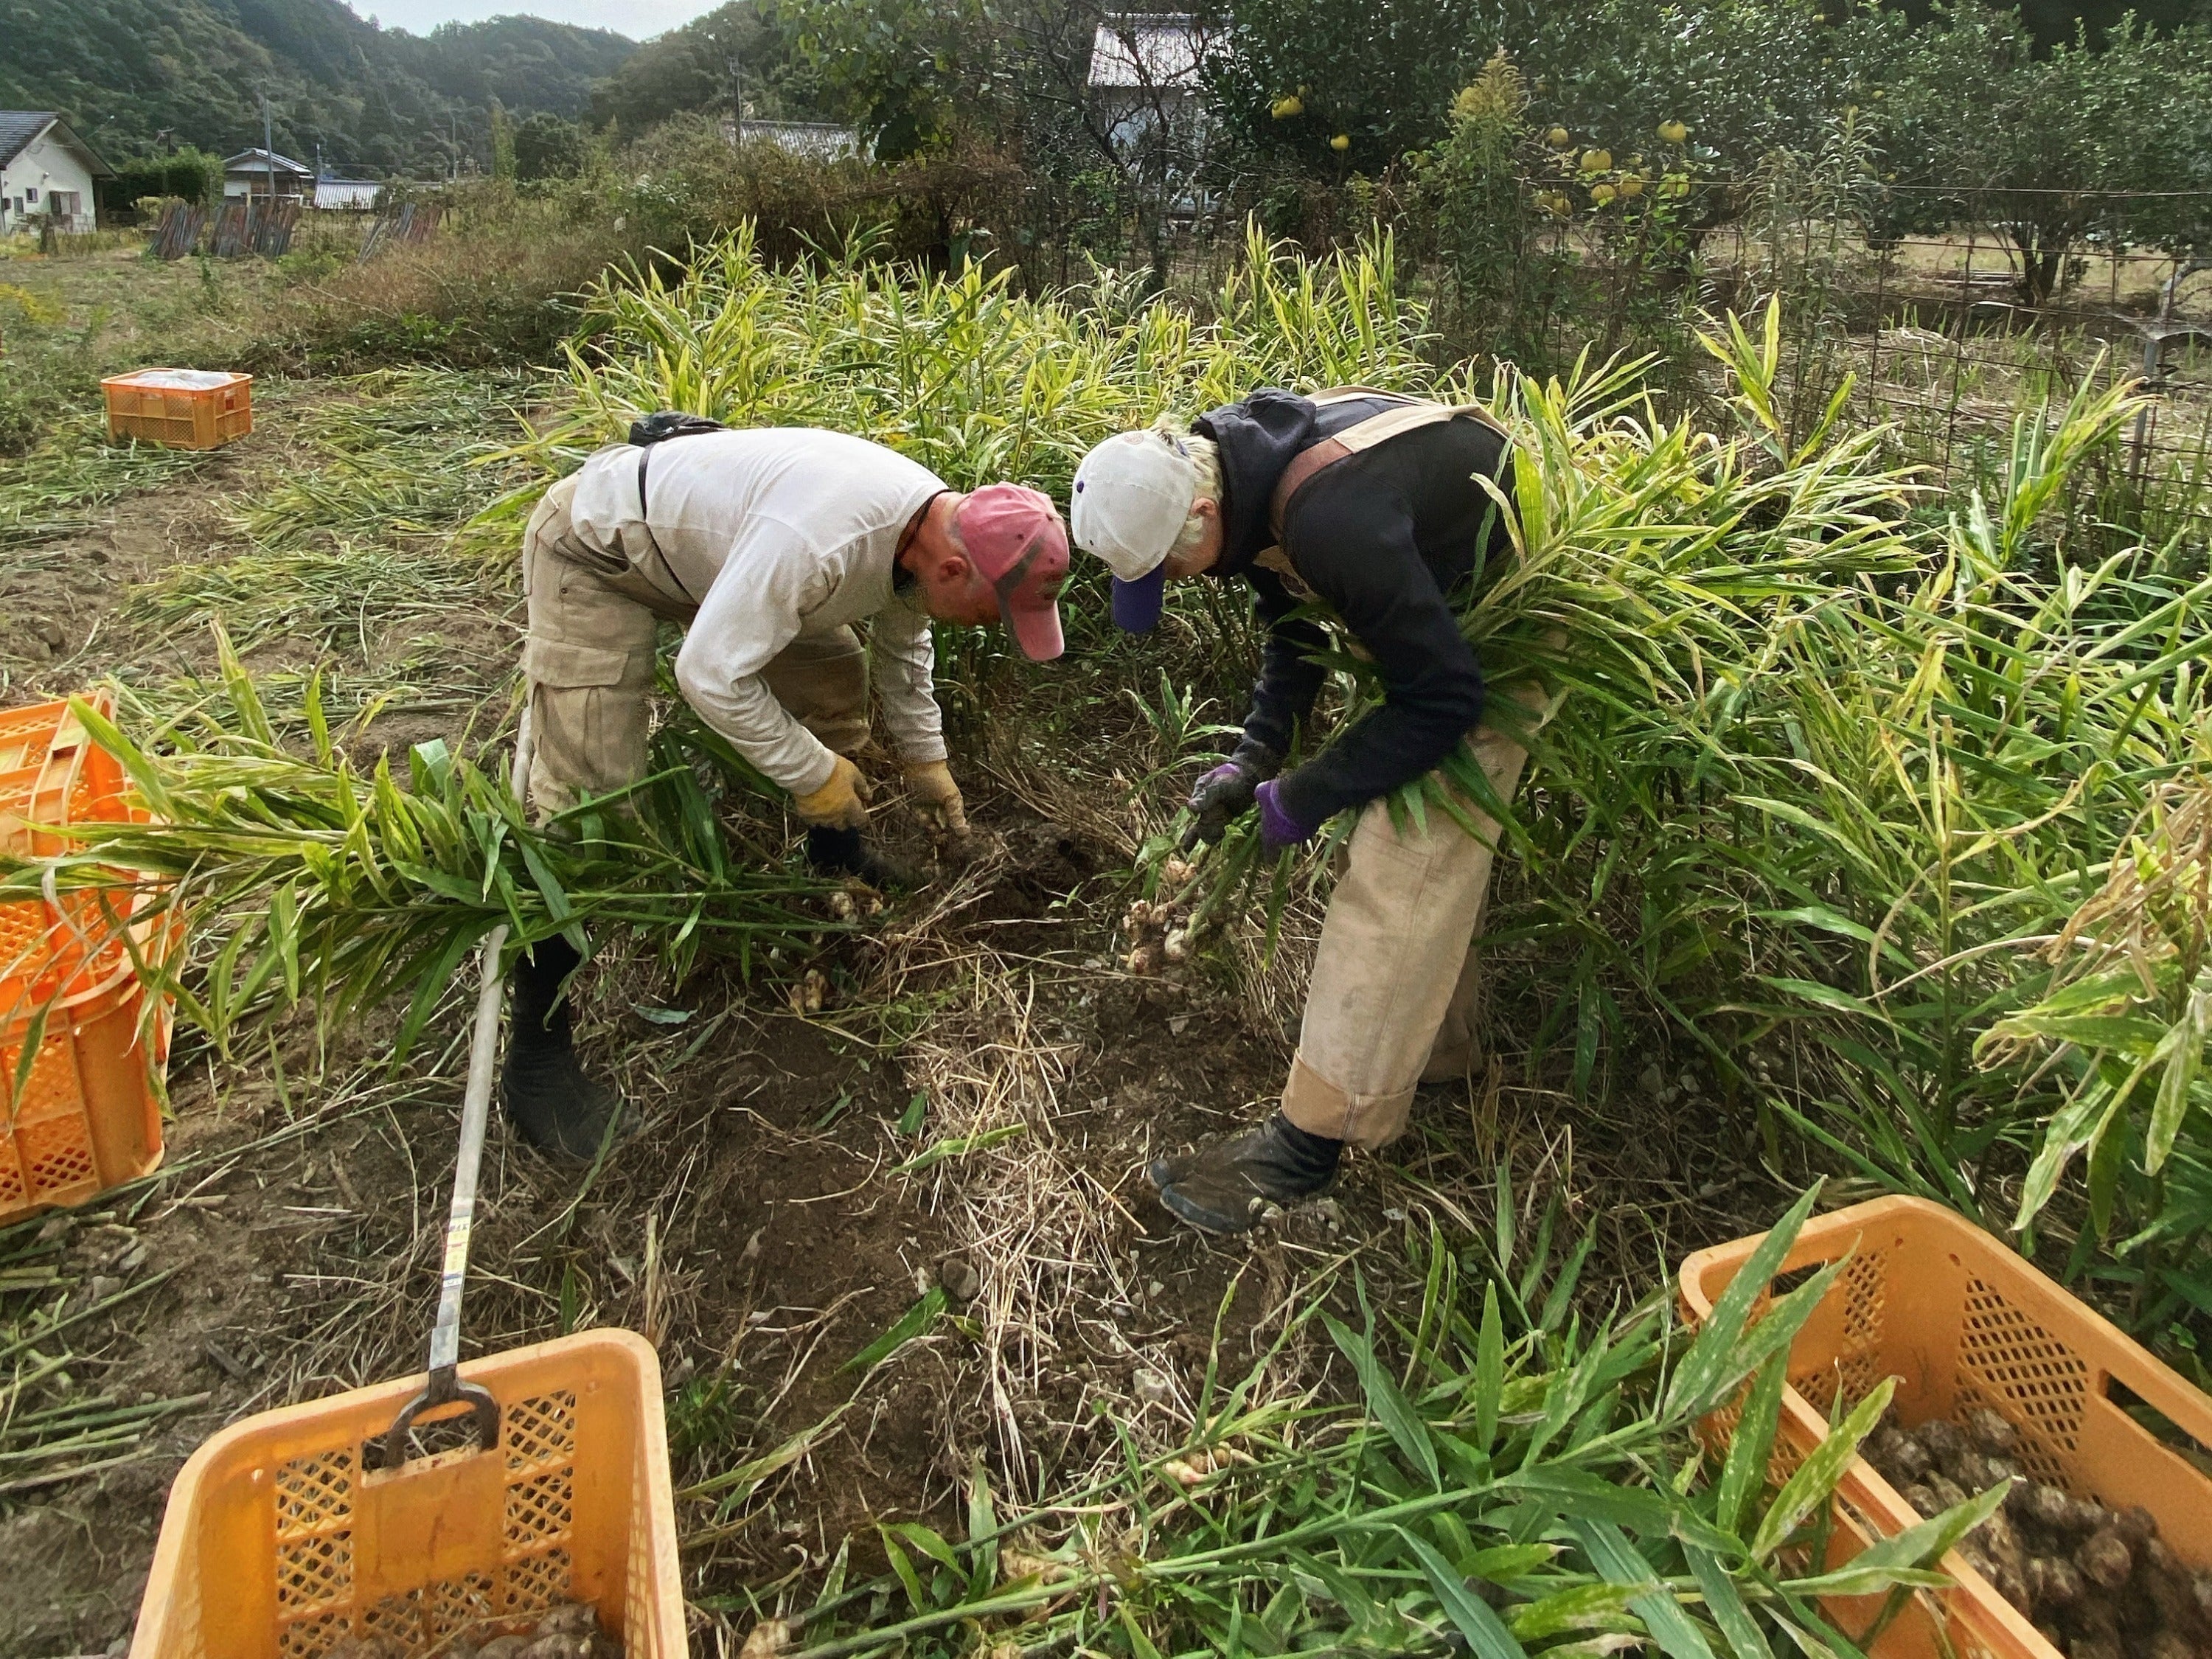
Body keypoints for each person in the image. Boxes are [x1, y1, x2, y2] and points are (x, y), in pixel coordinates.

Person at [507, 422, 1069, 1157]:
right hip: (599, 550)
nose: (992, 627)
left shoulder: (929, 531)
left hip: (715, 558)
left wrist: (929, 764)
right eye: (999, 612)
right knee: (591, 807)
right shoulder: (821, 545)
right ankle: (537, 1063)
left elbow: (905, 645)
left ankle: (835, 863)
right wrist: (816, 776)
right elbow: (708, 675)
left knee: (836, 675)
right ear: (956, 572)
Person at [1070, 387, 1550, 1234]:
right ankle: (1440, 1052)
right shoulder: (1235, 460)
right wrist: (1257, 752)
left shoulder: (1331, 517)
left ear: (1202, 510)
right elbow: (1289, 612)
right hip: (1424, 590)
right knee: (1411, 838)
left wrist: (1305, 794)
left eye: (1173, 570)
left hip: (1505, 612)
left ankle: (1310, 1144)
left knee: (1406, 844)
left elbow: (1441, 697)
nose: (1180, 586)